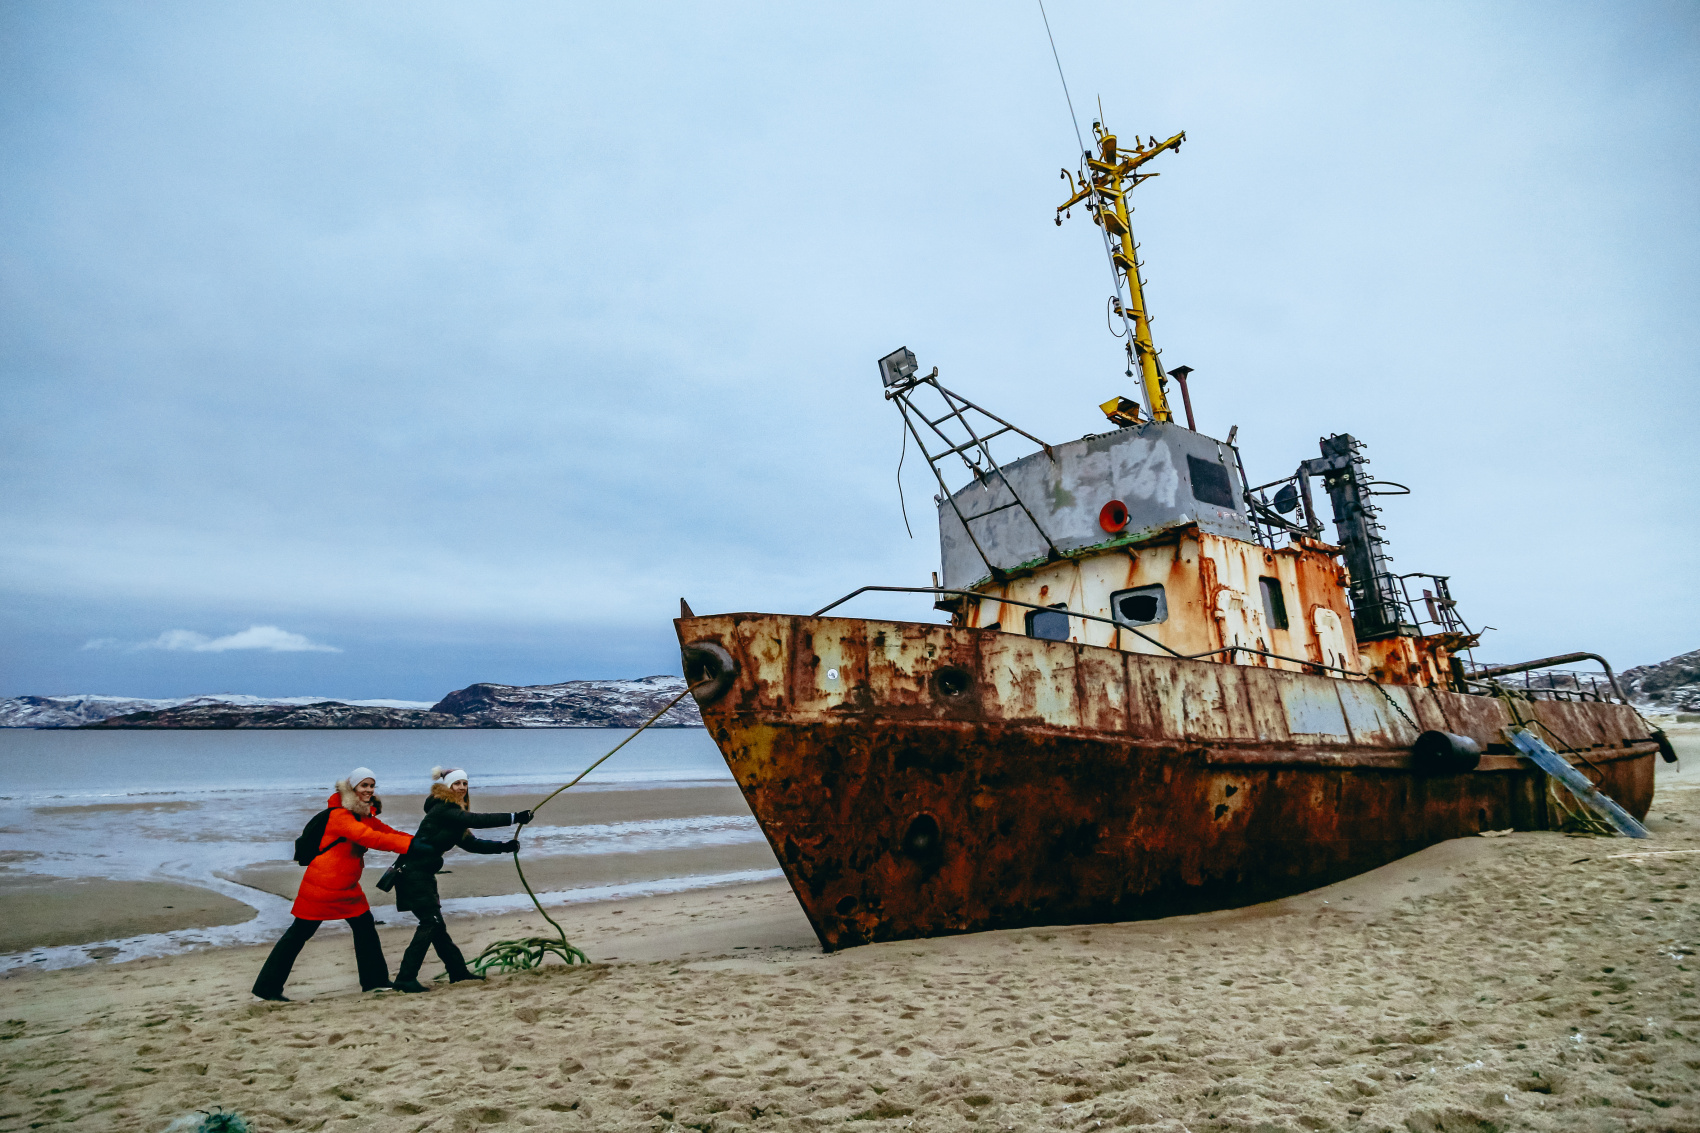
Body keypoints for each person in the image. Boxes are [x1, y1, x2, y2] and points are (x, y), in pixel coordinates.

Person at [252, 766, 413, 1001]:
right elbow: (371, 838)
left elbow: (387, 832)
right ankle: (266, 989)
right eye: (363, 786)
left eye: (371, 785)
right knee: (298, 934)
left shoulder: (362, 814)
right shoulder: (340, 816)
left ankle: (375, 981)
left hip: (346, 886)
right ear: (352, 788)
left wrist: (420, 841)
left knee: (364, 926)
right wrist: (414, 847)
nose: (368, 790)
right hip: (324, 887)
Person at [390, 766, 532, 992]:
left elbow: (472, 843)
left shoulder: (454, 817)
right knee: (431, 923)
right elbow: (478, 819)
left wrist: (504, 847)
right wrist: (514, 817)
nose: (462, 788)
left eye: (465, 784)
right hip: (411, 874)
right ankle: (405, 978)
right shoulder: (442, 809)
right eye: (457, 784)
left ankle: (457, 971)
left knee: (436, 926)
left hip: (422, 874)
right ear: (447, 787)